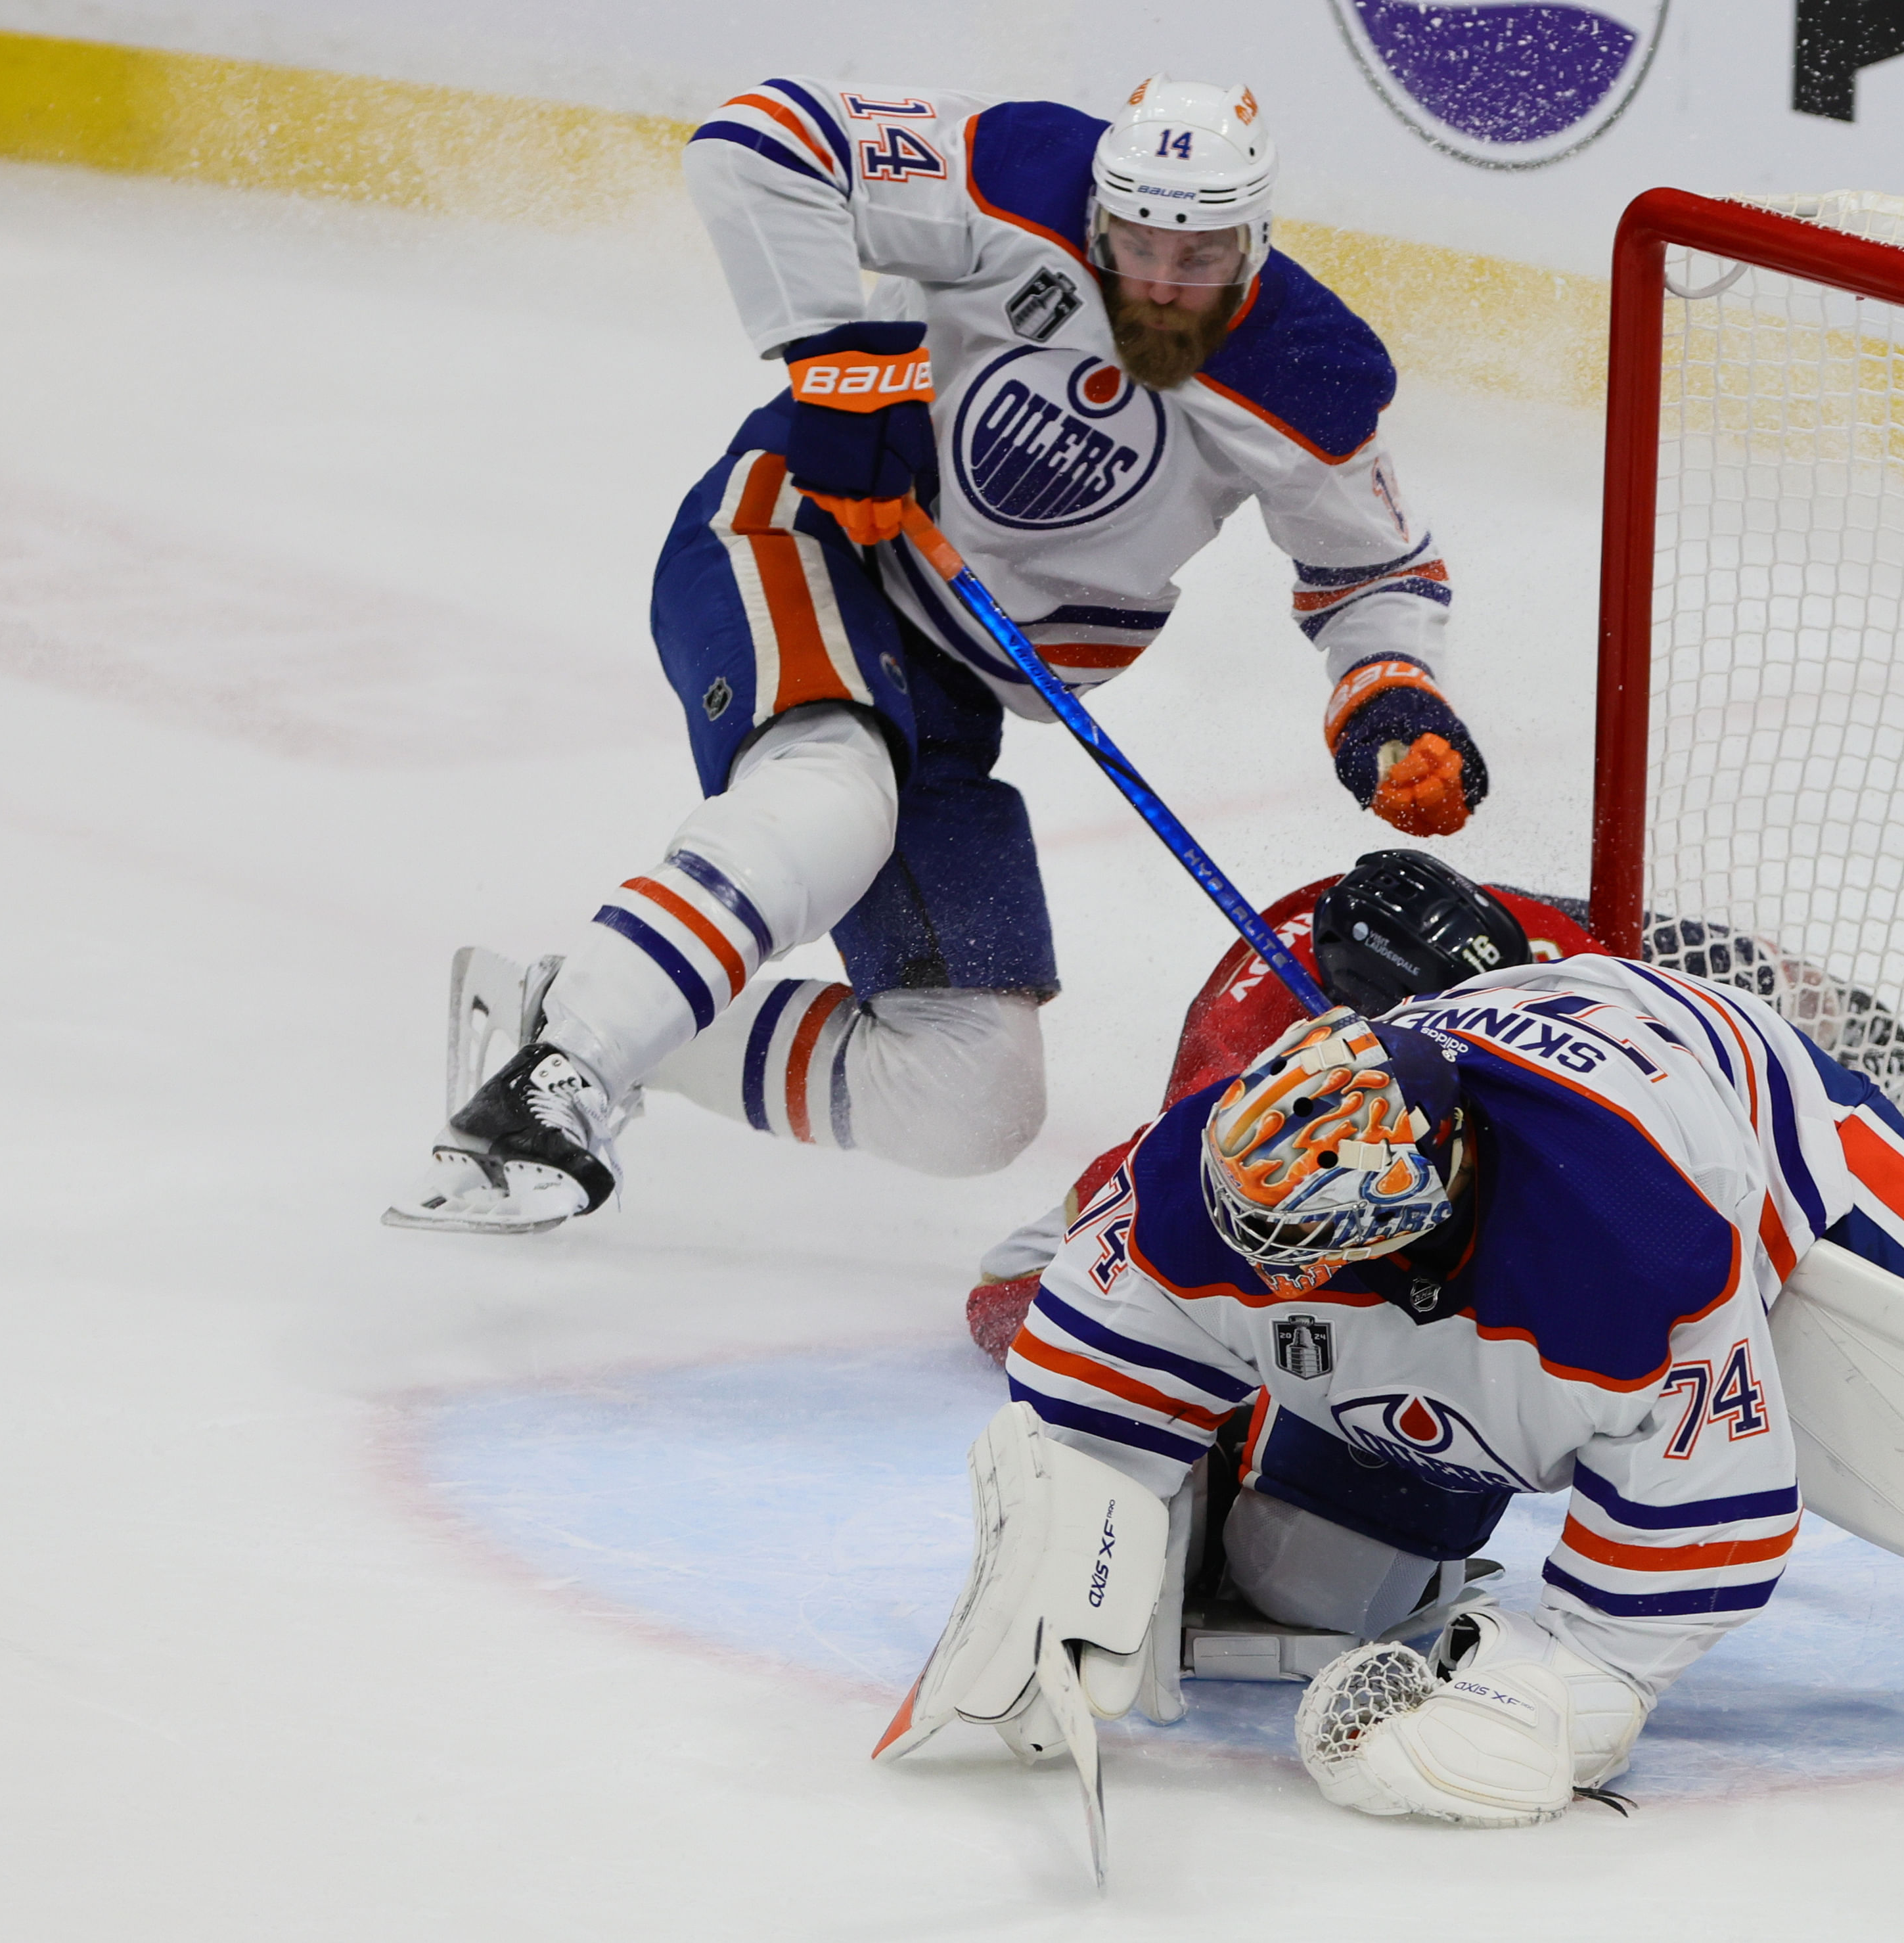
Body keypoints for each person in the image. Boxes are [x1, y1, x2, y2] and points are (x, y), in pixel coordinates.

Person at [385, 74, 1491, 1233]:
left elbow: (1375, 573)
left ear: (1256, 245)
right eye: (1134, 246)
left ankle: (564, 1008)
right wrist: (838, 366)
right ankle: (552, 1089)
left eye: (1200, 259)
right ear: (1098, 216)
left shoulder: (1306, 374)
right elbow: (760, 141)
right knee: (833, 793)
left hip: (952, 693)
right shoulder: (1022, 181)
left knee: (972, 1094)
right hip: (796, 538)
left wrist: (1389, 697)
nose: (1160, 285)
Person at [888, 926, 1904, 1821]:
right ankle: (1259, 1495)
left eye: (1307, 1259)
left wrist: (1575, 1682)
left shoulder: (1635, 1238)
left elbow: (1716, 1516)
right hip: (1487, 1183)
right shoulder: (1198, 1185)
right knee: (1309, 1587)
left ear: (1415, 1223)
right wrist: (1074, 1536)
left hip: (1734, 1085)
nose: (1263, 1284)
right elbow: (1082, 1388)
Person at [962, 849, 1904, 1362]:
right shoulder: (1263, 1060)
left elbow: (1724, 992)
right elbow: (1018, 1291)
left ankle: (1898, 1051)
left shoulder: (1536, 949)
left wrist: (1875, 1047)